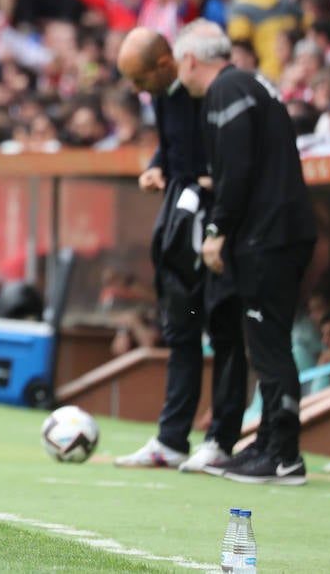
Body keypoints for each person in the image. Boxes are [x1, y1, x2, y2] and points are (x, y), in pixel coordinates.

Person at [175, 19, 318, 485]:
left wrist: (216, 229)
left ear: (191, 60)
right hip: (282, 228)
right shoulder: (252, 83)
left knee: (269, 343)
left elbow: (237, 168)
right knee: (267, 341)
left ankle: (284, 455)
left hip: (267, 235)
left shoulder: (226, 90)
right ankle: (269, 442)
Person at [113, 28, 247, 473]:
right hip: (182, 229)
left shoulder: (209, 91)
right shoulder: (163, 92)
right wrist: (157, 168)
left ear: (168, 63)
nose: (135, 90)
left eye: (138, 78)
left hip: (219, 228)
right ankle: (171, 440)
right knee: (184, 328)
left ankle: (221, 440)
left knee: (226, 331)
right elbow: (172, 149)